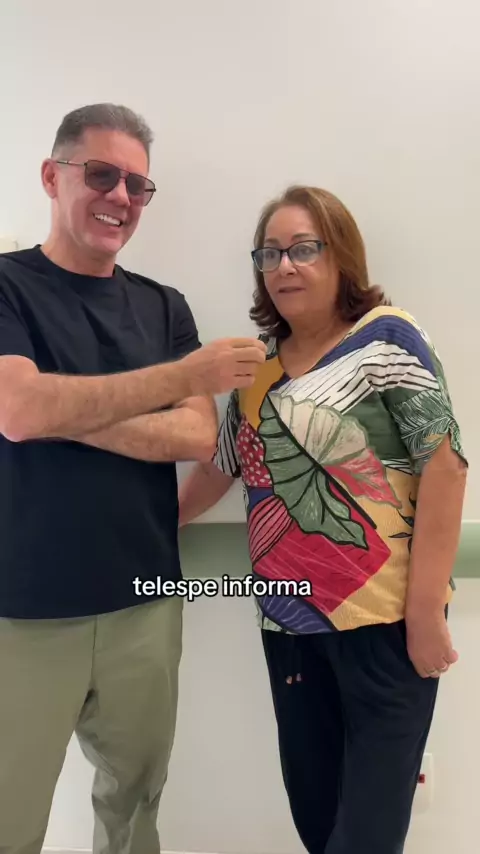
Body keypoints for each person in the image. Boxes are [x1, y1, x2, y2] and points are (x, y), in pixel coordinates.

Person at [0, 103, 266, 854]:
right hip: (23, 611)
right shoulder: (8, 287)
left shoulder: (164, 306)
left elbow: (196, 435)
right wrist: (180, 377)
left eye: (137, 185)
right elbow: (18, 408)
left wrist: (58, 410)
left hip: (145, 605)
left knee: (135, 809)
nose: (120, 196)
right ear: (51, 176)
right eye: (101, 174)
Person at [178, 185, 468, 854]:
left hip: (386, 629)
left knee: (367, 834)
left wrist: (426, 611)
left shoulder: (387, 339)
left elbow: (446, 467)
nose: (284, 266)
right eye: (270, 253)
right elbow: (224, 466)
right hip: (290, 629)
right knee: (316, 819)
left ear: (340, 256)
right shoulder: (257, 367)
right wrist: (159, 525)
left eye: (303, 249)